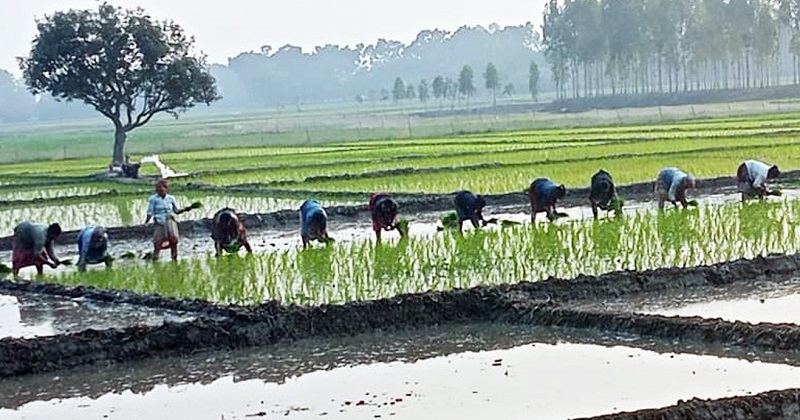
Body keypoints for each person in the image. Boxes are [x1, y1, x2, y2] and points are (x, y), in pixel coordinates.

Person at [144, 179, 194, 261]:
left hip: (170, 221)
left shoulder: (171, 198)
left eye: (162, 188)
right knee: (158, 242)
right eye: (158, 189)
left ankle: (174, 257)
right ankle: (155, 258)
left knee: (174, 240)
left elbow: (176, 211)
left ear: (166, 189)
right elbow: (150, 212)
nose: (160, 190)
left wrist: (186, 209)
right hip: (160, 222)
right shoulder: (153, 199)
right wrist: (146, 222)